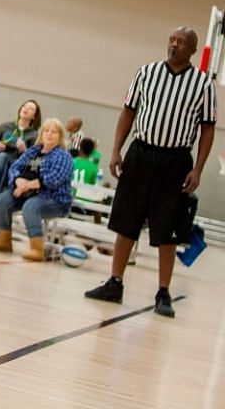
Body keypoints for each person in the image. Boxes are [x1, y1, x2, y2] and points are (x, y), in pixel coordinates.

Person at [85, 27, 216, 318]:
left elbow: (208, 129)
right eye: (171, 40)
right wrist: (117, 149)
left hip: (176, 160)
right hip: (141, 153)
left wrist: (198, 168)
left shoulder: (203, 85)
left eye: (181, 43)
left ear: (192, 50)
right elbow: (128, 111)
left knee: (166, 229)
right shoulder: (146, 72)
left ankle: (163, 292)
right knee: (125, 221)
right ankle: (115, 282)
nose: (174, 45)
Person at [0, 118, 76, 261]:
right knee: (3, 200)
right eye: (46, 131)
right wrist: (18, 181)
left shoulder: (63, 156)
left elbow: (54, 179)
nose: (49, 134)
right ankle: (4, 240)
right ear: (41, 134)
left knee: (30, 207)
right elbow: (15, 167)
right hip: (26, 192)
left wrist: (27, 185)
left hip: (54, 198)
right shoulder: (33, 150)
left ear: (60, 136)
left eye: (54, 132)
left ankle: (37, 249)